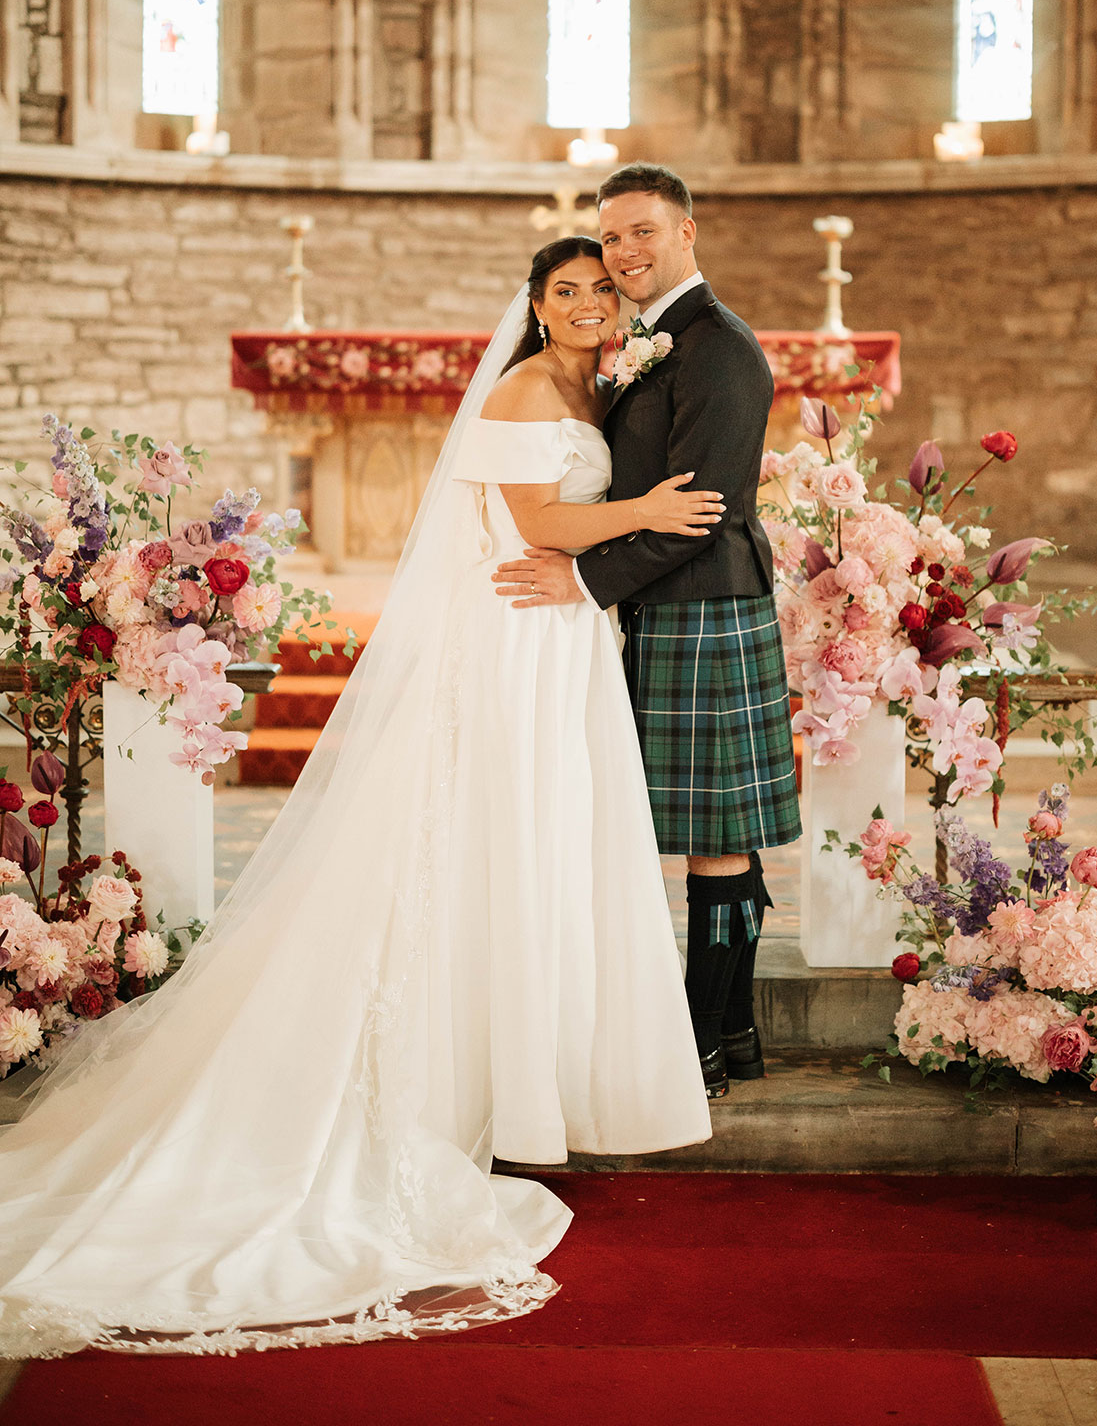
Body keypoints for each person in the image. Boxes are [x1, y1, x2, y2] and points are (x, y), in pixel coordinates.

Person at [0, 236, 712, 1359]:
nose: (583, 303)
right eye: (562, 290)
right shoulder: (527, 383)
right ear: (532, 305)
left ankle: (510, 1069)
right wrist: (648, 514)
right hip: (514, 640)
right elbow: (535, 524)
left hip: (562, 638)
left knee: (521, 849)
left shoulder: (600, 379)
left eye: (595, 289)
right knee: (473, 843)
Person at [494, 165, 803, 1098]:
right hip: (675, 607)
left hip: (704, 607)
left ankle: (702, 1040)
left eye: (643, 233)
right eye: (612, 236)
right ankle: (734, 1033)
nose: (625, 251)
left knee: (714, 835)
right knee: (717, 832)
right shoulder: (651, 342)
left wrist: (585, 579)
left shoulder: (716, 348)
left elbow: (697, 513)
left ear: (687, 233)